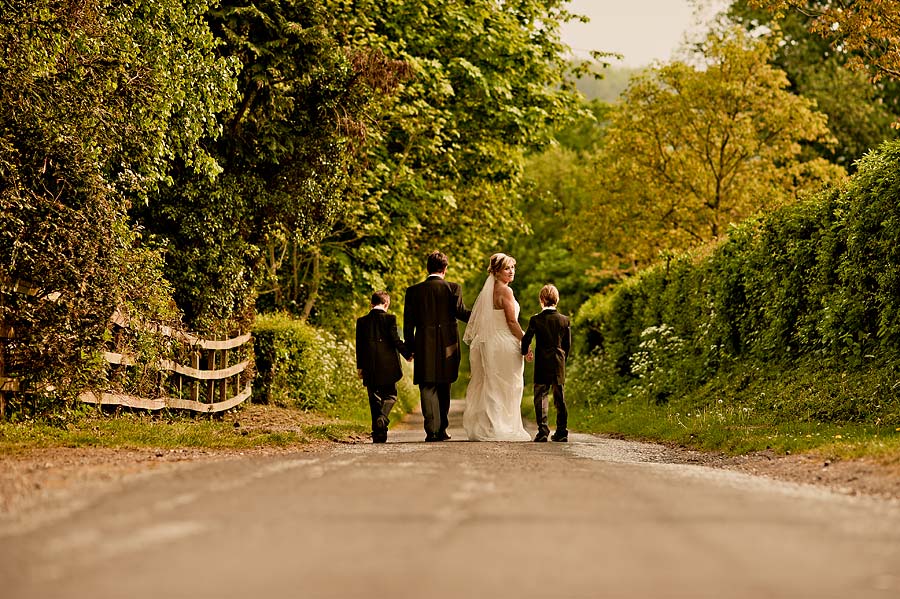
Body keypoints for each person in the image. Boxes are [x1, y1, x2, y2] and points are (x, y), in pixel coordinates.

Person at [462, 253, 531, 442]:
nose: (512, 272)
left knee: (490, 384)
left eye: (513, 268)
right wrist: (526, 341)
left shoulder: (487, 292)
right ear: (497, 271)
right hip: (504, 343)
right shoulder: (506, 292)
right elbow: (511, 321)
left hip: (487, 343)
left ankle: (487, 426)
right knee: (508, 385)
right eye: (507, 268)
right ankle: (503, 427)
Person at [403, 251, 471, 442]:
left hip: (423, 343)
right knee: (444, 385)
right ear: (445, 269)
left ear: (428, 268)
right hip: (448, 346)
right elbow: (462, 313)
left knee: (427, 385)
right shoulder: (453, 288)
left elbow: (408, 324)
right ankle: (441, 430)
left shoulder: (413, 291)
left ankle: (432, 430)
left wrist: (409, 349)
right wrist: (485, 317)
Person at [356, 291, 412, 443]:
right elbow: (395, 340)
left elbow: (359, 346)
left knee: (374, 399)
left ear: (371, 304)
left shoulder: (361, 321)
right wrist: (407, 354)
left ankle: (379, 435)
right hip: (388, 366)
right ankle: (383, 417)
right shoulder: (390, 319)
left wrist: (360, 367)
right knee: (390, 396)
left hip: (369, 365)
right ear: (386, 304)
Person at [521, 284, 572, 442]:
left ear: (541, 300)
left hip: (542, 362)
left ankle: (543, 431)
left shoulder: (536, 320)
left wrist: (524, 352)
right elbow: (567, 345)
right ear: (557, 300)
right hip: (558, 362)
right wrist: (564, 359)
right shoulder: (564, 320)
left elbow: (526, 339)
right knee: (560, 397)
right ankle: (562, 431)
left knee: (541, 396)